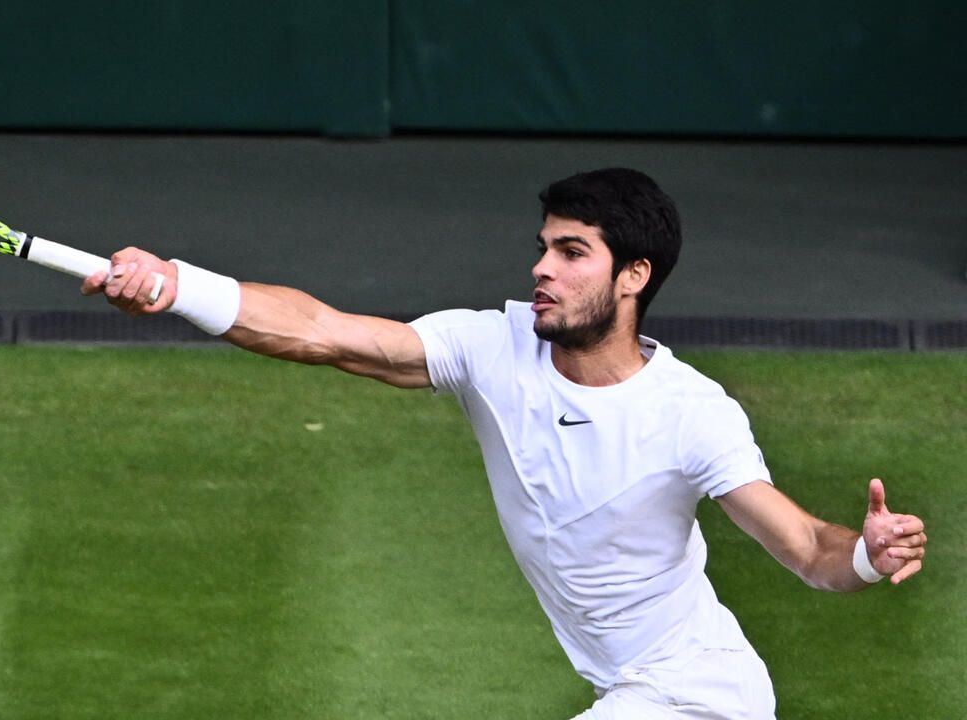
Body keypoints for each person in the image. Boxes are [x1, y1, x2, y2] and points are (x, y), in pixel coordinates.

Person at [80, 168, 927, 719]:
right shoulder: (494, 346)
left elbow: (810, 549)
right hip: (624, 687)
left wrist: (865, 555)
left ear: (634, 276)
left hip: (700, 697)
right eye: (542, 249)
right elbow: (328, 334)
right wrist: (179, 286)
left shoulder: (694, 413)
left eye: (572, 252)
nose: (542, 271)